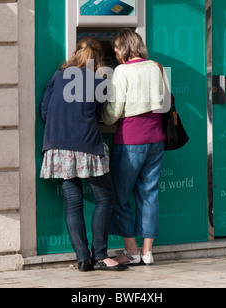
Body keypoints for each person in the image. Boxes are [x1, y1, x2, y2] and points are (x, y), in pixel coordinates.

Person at [39, 37, 127, 272]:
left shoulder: (58, 76)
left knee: (73, 203)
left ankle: (82, 258)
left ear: (75, 53)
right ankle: (99, 254)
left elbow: (44, 112)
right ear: (98, 58)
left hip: (58, 147)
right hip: (86, 145)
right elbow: (100, 114)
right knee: (106, 198)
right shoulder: (98, 79)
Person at [102, 28, 170, 265]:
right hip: (156, 138)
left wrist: (103, 117)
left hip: (131, 139)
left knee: (120, 196)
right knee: (149, 194)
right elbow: (161, 100)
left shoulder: (122, 71)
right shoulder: (154, 66)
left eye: (116, 49)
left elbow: (114, 110)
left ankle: (131, 251)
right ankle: (148, 252)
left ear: (123, 48)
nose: (116, 53)